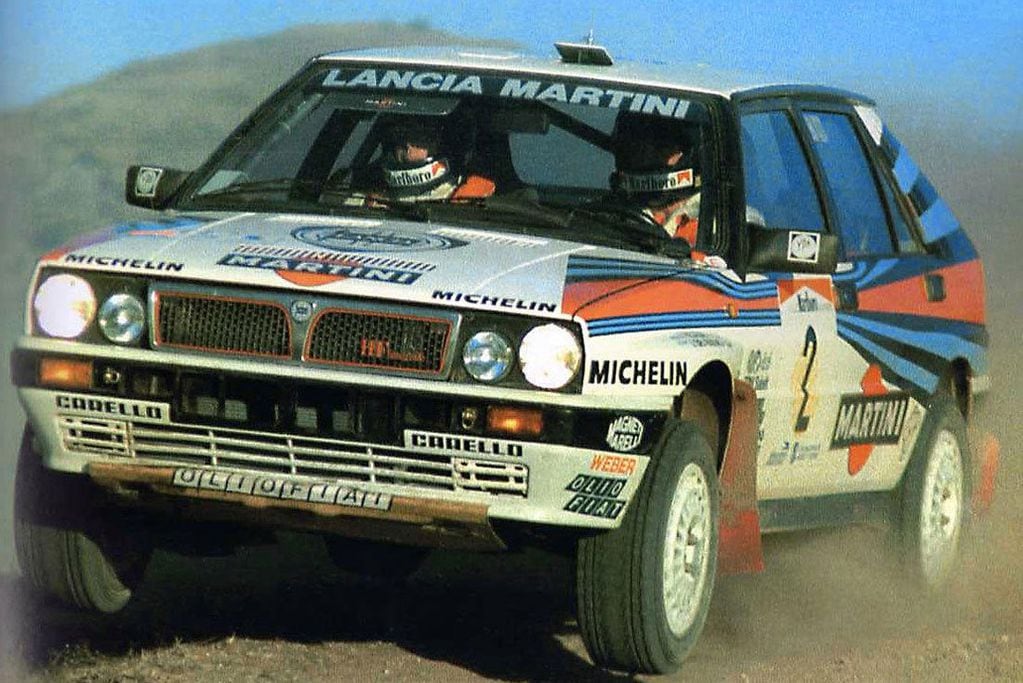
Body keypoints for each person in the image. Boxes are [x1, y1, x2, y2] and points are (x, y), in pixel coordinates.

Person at [610, 113, 702, 247]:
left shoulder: (721, 226)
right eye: (636, 148)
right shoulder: (600, 216)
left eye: (661, 148)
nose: (646, 159)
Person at [376, 115, 495, 201]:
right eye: (402, 135)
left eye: (420, 138)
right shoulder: (368, 193)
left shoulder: (474, 197)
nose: (409, 147)